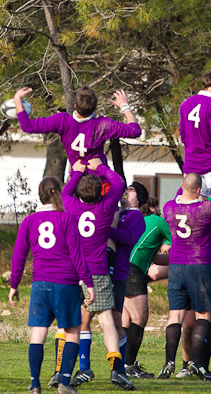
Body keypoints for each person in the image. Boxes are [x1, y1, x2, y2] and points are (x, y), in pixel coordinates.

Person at [9, 177, 95, 394]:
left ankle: (35, 383)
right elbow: (77, 254)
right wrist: (88, 282)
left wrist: (14, 284)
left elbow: (19, 255)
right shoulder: (67, 219)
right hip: (65, 283)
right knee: (72, 332)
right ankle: (64, 383)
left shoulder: (29, 221)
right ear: (58, 193)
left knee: (38, 333)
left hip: (40, 284)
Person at [61, 159, 135, 391]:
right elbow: (119, 182)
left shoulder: (71, 206)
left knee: (79, 323)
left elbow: (65, 191)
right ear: (99, 194)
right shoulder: (105, 208)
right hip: (98, 273)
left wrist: (76, 173)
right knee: (106, 322)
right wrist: (99, 167)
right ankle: (115, 368)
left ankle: (77, 368)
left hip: (76, 273)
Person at [157, 173, 211, 381]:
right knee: (203, 315)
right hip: (199, 265)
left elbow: (182, 195)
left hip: (176, 267)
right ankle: (197, 363)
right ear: (199, 191)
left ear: (182, 186)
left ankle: (168, 363)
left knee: (175, 316)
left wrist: (188, 174)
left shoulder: (169, 207)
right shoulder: (204, 209)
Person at [13, 86, 141, 180]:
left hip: (77, 181)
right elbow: (135, 130)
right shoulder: (103, 125)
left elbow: (27, 126)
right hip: (99, 181)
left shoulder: (62, 120)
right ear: (94, 107)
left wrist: (18, 99)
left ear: (74, 105)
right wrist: (125, 106)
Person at [122, 197, 171, 379]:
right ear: (151, 208)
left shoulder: (137, 222)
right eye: (157, 205)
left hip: (124, 268)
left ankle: (123, 366)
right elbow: (179, 241)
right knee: (140, 317)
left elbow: (155, 258)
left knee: (127, 321)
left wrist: (175, 261)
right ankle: (128, 366)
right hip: (133, 272)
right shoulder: (157, 221)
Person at [108, 182, 147, 380]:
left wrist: (106, 229)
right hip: (102, 270)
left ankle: (121, 366)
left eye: (131, 190)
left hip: (120, 272)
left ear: (137, 199)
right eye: (126, 188)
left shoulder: (135, 216)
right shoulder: (114, 211)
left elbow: (130, 237)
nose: (126, 191)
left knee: (116, 321)